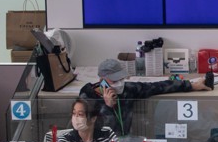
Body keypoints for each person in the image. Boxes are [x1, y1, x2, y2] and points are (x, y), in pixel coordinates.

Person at [80, 58, 210, 136]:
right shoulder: (87, 97)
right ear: (102, 80)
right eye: (114, 80)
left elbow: (155, 87)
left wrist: (189, 85)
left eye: (121, 79)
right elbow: (96, 131)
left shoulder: (127, 90)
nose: (119, 83)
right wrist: (108, 107)